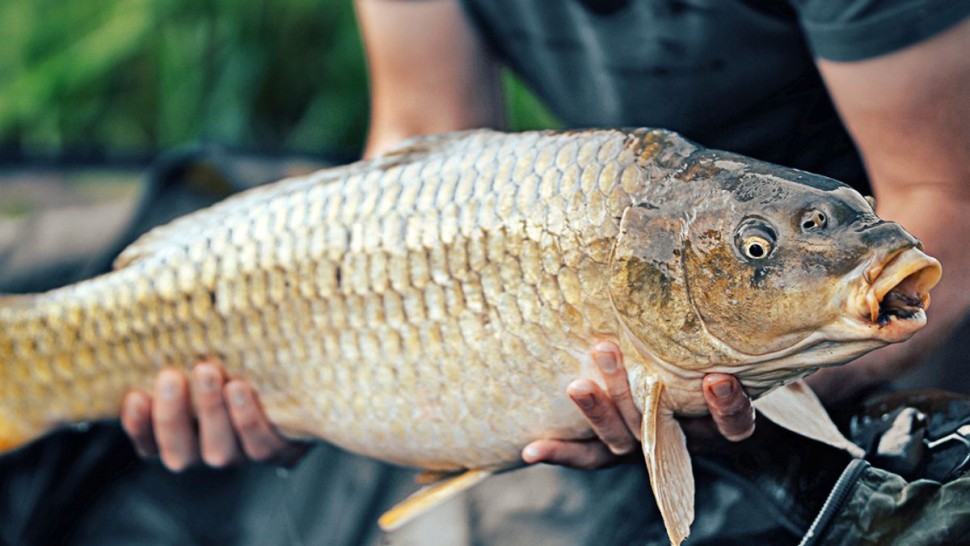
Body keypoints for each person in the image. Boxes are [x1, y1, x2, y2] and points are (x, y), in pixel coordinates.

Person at [118, 0, 970, 543]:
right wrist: (324, 360)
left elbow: (947, 199)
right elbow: (425, 136)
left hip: (849, 296)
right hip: (600, 248)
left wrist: (774, 381)